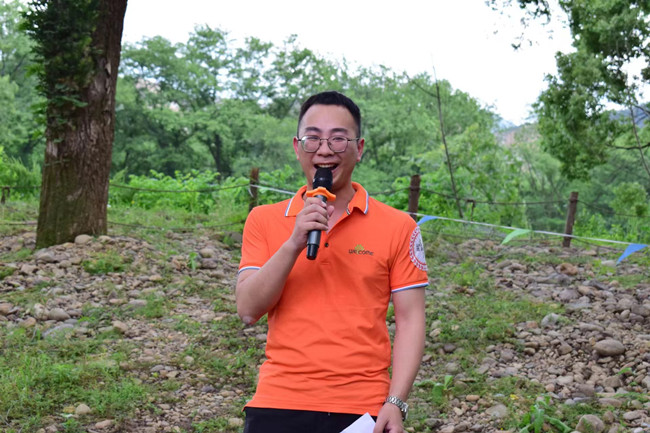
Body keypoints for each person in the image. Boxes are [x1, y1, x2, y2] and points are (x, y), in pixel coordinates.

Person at [236, 91, 428, 433]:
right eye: (313, 138)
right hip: (278, 401)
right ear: (297, 147)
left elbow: (411, 319)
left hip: (362, 409)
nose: (324, 150)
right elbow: (248, 310)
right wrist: (293, 243)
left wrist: (396, 401)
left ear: (359, 148)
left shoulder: (399, 226)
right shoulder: (263, 220)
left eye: (338, 139)